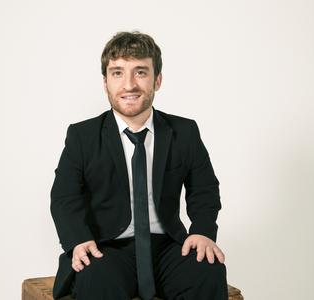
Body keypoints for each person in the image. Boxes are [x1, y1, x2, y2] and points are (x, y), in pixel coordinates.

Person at [50, 31, 227, 300]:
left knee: (208, 270)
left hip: (168, 247)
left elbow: (203, 188)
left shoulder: (184, 132)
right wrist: (77, 239)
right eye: (118, 73)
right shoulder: (82, 136)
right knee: (96, 277)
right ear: (105, 82)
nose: (129, 84)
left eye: (140, 72)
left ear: (157, 80)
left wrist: (202, 231)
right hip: (107, 247)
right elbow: (64, 196)